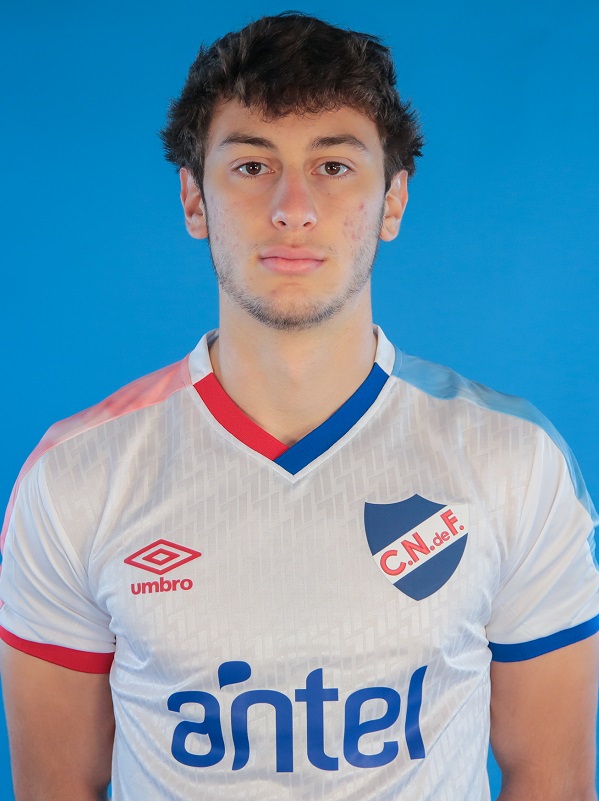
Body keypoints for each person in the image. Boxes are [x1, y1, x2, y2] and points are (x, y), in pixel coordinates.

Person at [0, 11, 598, 801]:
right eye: (251, 165)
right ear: (193, 199)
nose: (292, 206)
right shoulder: (75, 476)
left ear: (392, 202)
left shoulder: (511, 461)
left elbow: (552, 779)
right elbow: (56, 786)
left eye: (333, 166)